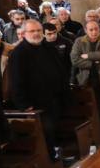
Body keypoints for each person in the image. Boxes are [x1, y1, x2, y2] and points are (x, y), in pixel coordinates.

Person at [7, 20, 71, 159]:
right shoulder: (18, 53)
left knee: (56, 128)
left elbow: (60, 69)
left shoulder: (48, 46)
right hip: (37, 103)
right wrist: (24, 104)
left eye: (38, 30)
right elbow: (16, 81)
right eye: (32, 31)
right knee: (46, 131)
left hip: (55, 98)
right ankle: (51, 160)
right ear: (23, 34)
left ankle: (59, 156)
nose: (36, 34)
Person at [71, 21, 100, 128]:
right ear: (86, 30)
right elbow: (75, 60)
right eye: (91, 30)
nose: (94, 32)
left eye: (96, 29)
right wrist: (93, 63)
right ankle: (97, 129)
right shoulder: (79, 41)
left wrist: (88, 55)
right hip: (88, 78)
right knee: (92, 106)